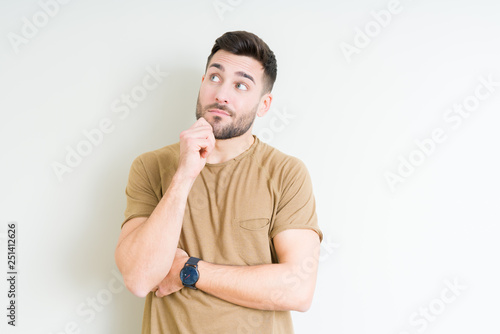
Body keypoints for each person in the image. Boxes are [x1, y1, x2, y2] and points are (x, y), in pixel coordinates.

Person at [115, 30, 323, 334]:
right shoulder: (151, 166)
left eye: (240, 85)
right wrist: (183, 176)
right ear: (202, 84)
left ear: (264, 105)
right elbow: (138, 278)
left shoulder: (286, 173)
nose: (221, 94)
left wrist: (191, 271)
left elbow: (298, 289)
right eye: (215, 77)